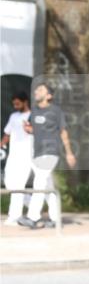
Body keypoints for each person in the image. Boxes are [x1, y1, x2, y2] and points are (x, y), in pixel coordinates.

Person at [20, 81, 76, 229]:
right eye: (36, 89)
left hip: (50, 152)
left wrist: (69, 153)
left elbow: (63, 132)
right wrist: (27, 129)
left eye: (41, 90)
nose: (37, 91)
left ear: (49, 96)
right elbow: (34, 129)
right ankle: (55, 218)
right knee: (48, 186)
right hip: (37, 153)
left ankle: (33, 217)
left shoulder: (56, 111)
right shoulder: (35, 111)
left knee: (39, 182)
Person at [1, 91, 33, 225]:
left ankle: (14, 216)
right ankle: (31, 202)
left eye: (17, 103)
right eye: (13, 104)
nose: (15, 106)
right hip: (13, 155)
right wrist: (1, 144)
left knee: (18, 185)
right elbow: (7, 134)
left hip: (26, 155)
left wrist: (29, 128)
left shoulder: (33, 115)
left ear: (25, 101)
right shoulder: (13, 116)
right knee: (9, 183)